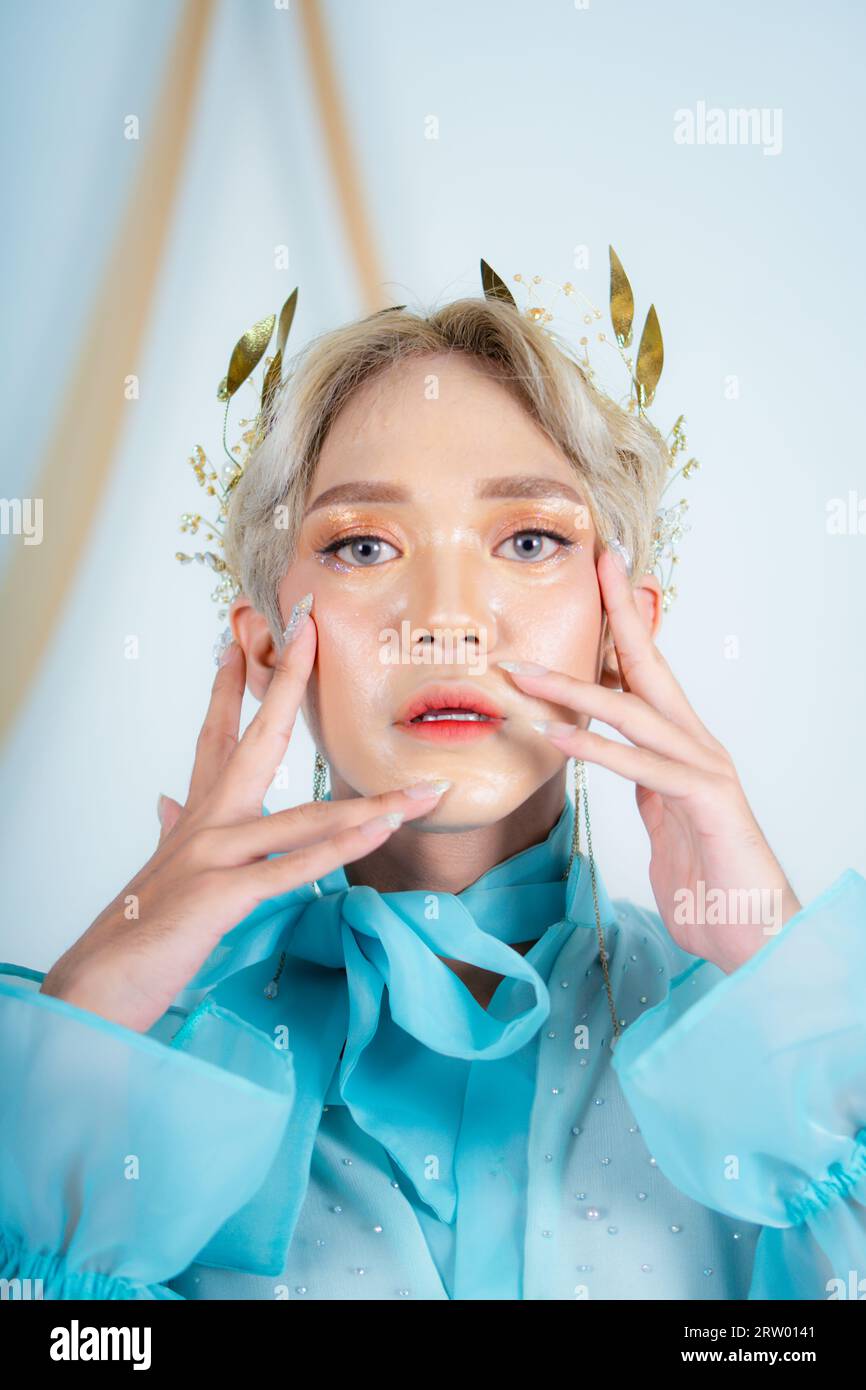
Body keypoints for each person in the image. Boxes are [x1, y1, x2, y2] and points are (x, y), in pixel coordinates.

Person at [1, 284, 864, 1301]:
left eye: (528, 539)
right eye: (363, 546)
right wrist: (87, 1033)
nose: (445, 620)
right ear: (268, 641)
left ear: (618, 628)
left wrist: (766, 954)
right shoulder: (115, 1085)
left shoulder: (791, 1091)